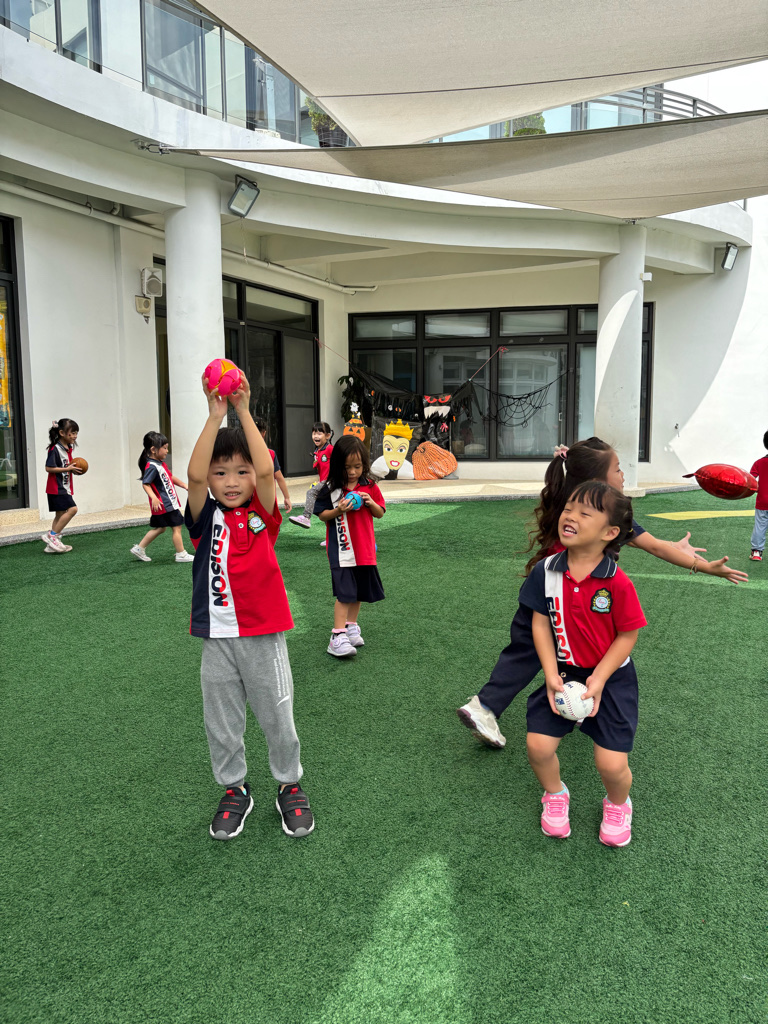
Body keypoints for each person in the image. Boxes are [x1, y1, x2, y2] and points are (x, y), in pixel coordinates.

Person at [458, 437, 749, 749]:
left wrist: (677, 549)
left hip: (566, 593)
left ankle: (571, 700)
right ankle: (485, 706)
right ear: (598, 480)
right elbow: (653, 546)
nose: (623, 475)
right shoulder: (598, 514)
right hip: (555, 593)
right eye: (618, 469)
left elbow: (653, 543)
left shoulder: (578, 506)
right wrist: (703, 567)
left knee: (563, 648)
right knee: (534, 650)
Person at [185, 370, 313, 840]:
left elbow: (264, 472)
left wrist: (242, 409)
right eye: (221, 473)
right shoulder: (204, 518)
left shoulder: (262, 513)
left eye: (239, 472)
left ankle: (289, 783)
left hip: (263, 634)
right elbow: (193, 475)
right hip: (217, 638)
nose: (231, 481)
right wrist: (214, 415)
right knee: (221, 721)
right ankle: (234, 788)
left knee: (277, 713)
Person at [522, 480, 646, 846]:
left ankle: (618, 804)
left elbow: (628, 635)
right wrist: (550, 674)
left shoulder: (617, 583)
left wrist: (601, 678)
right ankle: (555, 795)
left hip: (611, 678)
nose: (570, 516)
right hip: (563, 672)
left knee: (611, 764)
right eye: (568, 508)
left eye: (585, 513)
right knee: (538, 747)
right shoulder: (546, 571)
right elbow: (540, 623)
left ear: (610, 533)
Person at [314, 434, 386, 658]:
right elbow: (322, 515)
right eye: (347, 467)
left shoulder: (370, 486)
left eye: (357, 466)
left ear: (364, 465)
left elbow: (380, 513)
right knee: (345, 593)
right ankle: (337, 635)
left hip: (364, 550)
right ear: (337, 465)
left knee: (358, 592)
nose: (353, 472)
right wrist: (338, 510)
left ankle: (351, 626)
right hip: (342, 550)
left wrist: (370, 502)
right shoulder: (331, 488)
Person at [130, 431, 194, 563]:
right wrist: (154, 497)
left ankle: (139, 548)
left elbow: (170, 477)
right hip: (166, 504)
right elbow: (146, 484)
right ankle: (181, 554)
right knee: (177, 527)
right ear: (153, 449)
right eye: (164, 448)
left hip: (164, 504)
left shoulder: (159, 464)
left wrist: (183, 485)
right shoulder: (152, 466)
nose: (167, 451)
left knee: (160, 528)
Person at [42, 418, 84, 553]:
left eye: (76, 433)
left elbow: (66, 466)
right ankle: (52, 536)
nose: (75, 436)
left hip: (64, 487)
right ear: (62, 433)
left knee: (60, 514)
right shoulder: (55, 449)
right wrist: (67, 469)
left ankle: (52, 545)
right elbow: (48, 468)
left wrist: (72, 470)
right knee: (73, 509)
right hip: (56, 488)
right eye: (72, 433)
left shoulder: (68, 448)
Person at [289, 422, 333, 530]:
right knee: (327, 508)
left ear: (328, 435)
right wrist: (319, 481)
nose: (316, 436)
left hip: (330, 481)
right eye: (314, 433)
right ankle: (331, 534)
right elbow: (322, 469)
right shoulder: (317, 451)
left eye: (319, 433)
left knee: (311, 492)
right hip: (324, 482)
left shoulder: (330, 449)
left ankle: (306, 517)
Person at [255, 417, 292, 514]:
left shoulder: (239, 455)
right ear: (264, 433)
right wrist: (287, 497)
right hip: (268, 502)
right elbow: (279, 477)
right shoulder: (270, 454)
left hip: (248, 503)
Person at [749, 430, 768, 560]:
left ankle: (756, 552)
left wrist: (757, 488)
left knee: (760, 526)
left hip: (763, 501)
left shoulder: (759, 463)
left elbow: (750, 480)